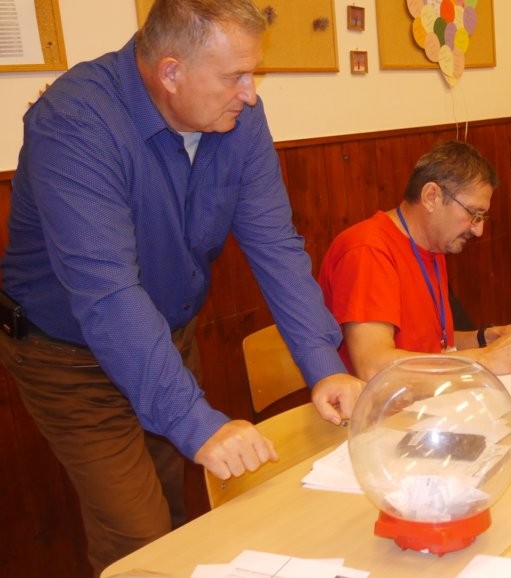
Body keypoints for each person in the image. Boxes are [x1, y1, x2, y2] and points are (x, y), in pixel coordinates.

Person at [0, 1, 363, 574]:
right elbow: (108, 297)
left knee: (172, 512)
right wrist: (197, 423)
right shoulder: (75, 123)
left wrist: (325, 366)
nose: (250, 94)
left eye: (252, 74)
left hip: (166, 336)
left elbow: (275, 245)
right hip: (70, 357)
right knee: (140, 539)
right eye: (235, 77)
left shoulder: (237, 118)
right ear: (171, 72)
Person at [318, 140, 511, 381]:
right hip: (381, 403)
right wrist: (485, 359)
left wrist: (489, 337)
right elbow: (372, 367)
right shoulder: (368, 251)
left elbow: (433, 348)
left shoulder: (433, 246)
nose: (478, 231)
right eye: (473, 214)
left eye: (482, 217)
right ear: (431, 196)